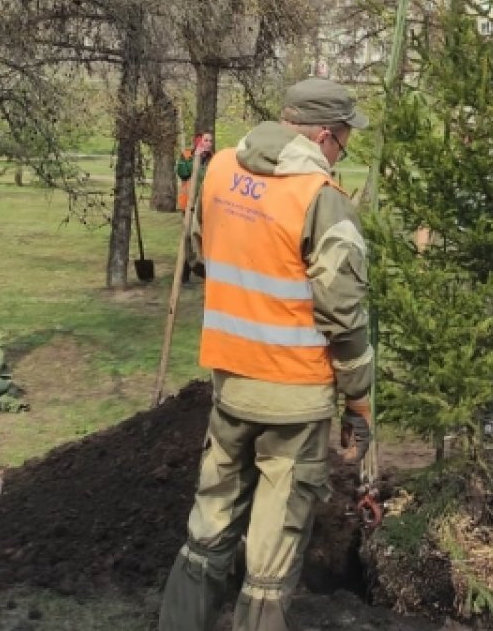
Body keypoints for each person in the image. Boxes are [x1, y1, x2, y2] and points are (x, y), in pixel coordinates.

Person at [159, 78, 373, 631]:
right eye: (345, 139)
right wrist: (358, 401)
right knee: (269, 566)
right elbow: (344, 317)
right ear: (325, 135)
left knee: (207, 531)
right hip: (293, 404)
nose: (343, 151)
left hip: (230, 386)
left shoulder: (222, 170)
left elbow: (205, 251)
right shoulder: (321, 201)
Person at [177, 131, 214, 283]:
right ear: (198, 141)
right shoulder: (186, 155)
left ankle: (203, 268)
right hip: (188, 204)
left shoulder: (213, 159)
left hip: (205, 206)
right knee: (188, 236)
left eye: (210, 141)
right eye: (206, 140)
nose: (209, 143)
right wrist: (196, 158)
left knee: (202, 238)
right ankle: (184, 272)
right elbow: (183, 173)